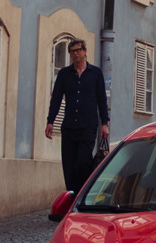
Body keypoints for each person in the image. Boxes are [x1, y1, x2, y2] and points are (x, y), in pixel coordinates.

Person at [44, 39, 112, 194]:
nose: (75, 54)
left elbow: (102, 99)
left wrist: (105, 123)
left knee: (83, 162)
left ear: (85, 51)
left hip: (88, 127)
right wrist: (50, 121)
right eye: (72, 51)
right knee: (69, 167)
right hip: (69, 128)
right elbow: (56, 99)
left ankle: (83, 195)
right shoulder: (64, 74)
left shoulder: (95, 73)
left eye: (78, 50)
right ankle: (72, 199)